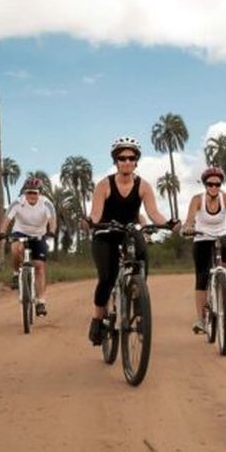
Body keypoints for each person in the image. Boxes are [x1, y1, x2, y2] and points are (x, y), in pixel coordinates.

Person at [86, 136, 178, 345]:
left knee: (142, 257)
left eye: (131, 157)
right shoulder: (104, 185)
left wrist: (168, 223)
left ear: (136, 160)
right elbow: (96, 214)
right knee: (107, 278)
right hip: (106, 233)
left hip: (129, 231)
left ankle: (138, 301)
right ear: (115, 161)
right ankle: (98, 319)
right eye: (122, 158)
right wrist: (90, 222)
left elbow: (153, 213)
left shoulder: (143, 186)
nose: (126, 161)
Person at [182, 166, 226, 335]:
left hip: (222, 234)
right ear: (205, 185)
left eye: (217, 184)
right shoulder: (197, 199)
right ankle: (202, 320)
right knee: (202, 277)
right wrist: (189, 227)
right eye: (210, 184)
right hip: (202, 237)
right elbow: (190, 219)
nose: (214, 187)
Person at [0, 177, 57, 316]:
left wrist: (52, 231)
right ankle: (16, 274)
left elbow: (52, 220)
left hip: (39, 234)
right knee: (16, 248)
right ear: (25, 193)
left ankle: (41, 302)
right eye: (29, 192)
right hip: (20, 231)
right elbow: (6, 219)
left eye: (35, 193)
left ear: (39, 193)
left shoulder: (46, 203)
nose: (32, 195)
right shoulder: (18, 203)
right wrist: (2, 232)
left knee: (39, 267)